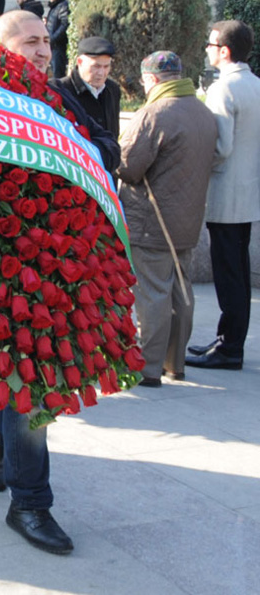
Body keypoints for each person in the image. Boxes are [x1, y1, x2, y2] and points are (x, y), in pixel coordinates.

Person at [0, 10, 119, 557]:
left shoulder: (59, 97)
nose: (41, 50)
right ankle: (29, 502)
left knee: (26, 378)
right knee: (30, 382)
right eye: (29, 41)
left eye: (45, 41)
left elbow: (108, 147)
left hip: (54, 260)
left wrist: (74, 151)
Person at [117, 51, 217, 385]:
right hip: (188, 221)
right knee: (180, 291)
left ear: (153, 79)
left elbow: (129, 167)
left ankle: (147, 368)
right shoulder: (203, 113)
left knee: (153, 292)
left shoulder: (154, 113)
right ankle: (176, 364)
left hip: (151, 221)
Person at [189, 20, 260, 371]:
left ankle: (229, 347)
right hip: (248, 193)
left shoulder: (222, 89)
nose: (206, 49)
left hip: (225, 193)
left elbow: (221, 147)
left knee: (229, 274)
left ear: (225, 51)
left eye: (210, 43)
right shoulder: (256, 84)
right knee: (239, 272)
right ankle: (228, 341)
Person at [53, 36, 122, 139]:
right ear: (80, 62)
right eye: (96, 66)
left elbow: (114, 133)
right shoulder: (60, 90)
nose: (101, 73)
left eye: (106, 66)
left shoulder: (113, 90)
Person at [44, 0, 69, 78]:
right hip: (52, 45)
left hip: (58, 46)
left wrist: (53, 38)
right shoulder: (54, 7)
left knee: (58, 75)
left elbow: (64, 24)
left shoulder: (63, 5)